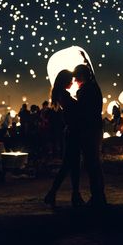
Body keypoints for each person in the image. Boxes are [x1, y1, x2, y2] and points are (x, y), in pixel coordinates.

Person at [44, 70, 85, 208]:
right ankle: (59, 194)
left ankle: (70, 194)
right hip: (73, 132)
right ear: (65, 81)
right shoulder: (65, 95)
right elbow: (76, 111)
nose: (73, 82)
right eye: (71, 79)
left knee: (71, 165)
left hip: (71, 132)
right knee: (70, 165)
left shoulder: (61, 94)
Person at [73, 52, 107, 208]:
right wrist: (85, 59)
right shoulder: (95, 87)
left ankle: (97, 197)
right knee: (95, 162)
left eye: (76, 76)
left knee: (91, 162)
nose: (74, 80)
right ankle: (100, 195)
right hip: (96, 127)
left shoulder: (85, 90)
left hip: (89, 129)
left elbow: (81, 111)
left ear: (81, 77)